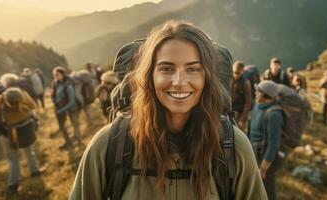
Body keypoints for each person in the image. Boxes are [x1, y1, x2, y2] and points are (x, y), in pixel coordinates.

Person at [69, 20, 267, 200]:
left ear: (207, 77)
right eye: (166, 68)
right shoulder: (108, 146)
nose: (179, 82)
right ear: (148, 76)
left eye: (192, 69)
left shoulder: (233, 147)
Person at [0, 73, 41, 195]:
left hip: (8, 133)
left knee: (13, 159)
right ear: (15, 82)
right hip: (25, 129)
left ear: (4, 84)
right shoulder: (23, 94)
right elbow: (33, 106)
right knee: (29, 151)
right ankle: (35, 171)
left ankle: (13, 184)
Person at [249, 80, 284, 200]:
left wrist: (264, 168)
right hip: (253, 152)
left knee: (267, 190)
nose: (255, 93)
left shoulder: (274, 114)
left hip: (264, 157)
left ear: (266, 94)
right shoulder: (257, 105)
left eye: (258, 91)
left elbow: (274, 143)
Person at [51, 66, 81, 149]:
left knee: (75, 124)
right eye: (54, 75)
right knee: (64, 126)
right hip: (63, 108)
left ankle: (79, 143)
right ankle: (69, 143)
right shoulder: (56, 84)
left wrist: (61, 110)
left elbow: (71, 102)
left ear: (63, 74)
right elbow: (55, 95)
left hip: (72, 108)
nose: (55, 76)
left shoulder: (69, 86)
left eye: (57, 74)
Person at [231, 61, 252, 130]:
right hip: (230, 111)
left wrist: (243, 119)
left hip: (240, 112)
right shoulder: (229, 78)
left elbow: (248, 102)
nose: (235, 75)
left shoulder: (246, 83)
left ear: (242, 71)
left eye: (238, 73)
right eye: (234, 72)